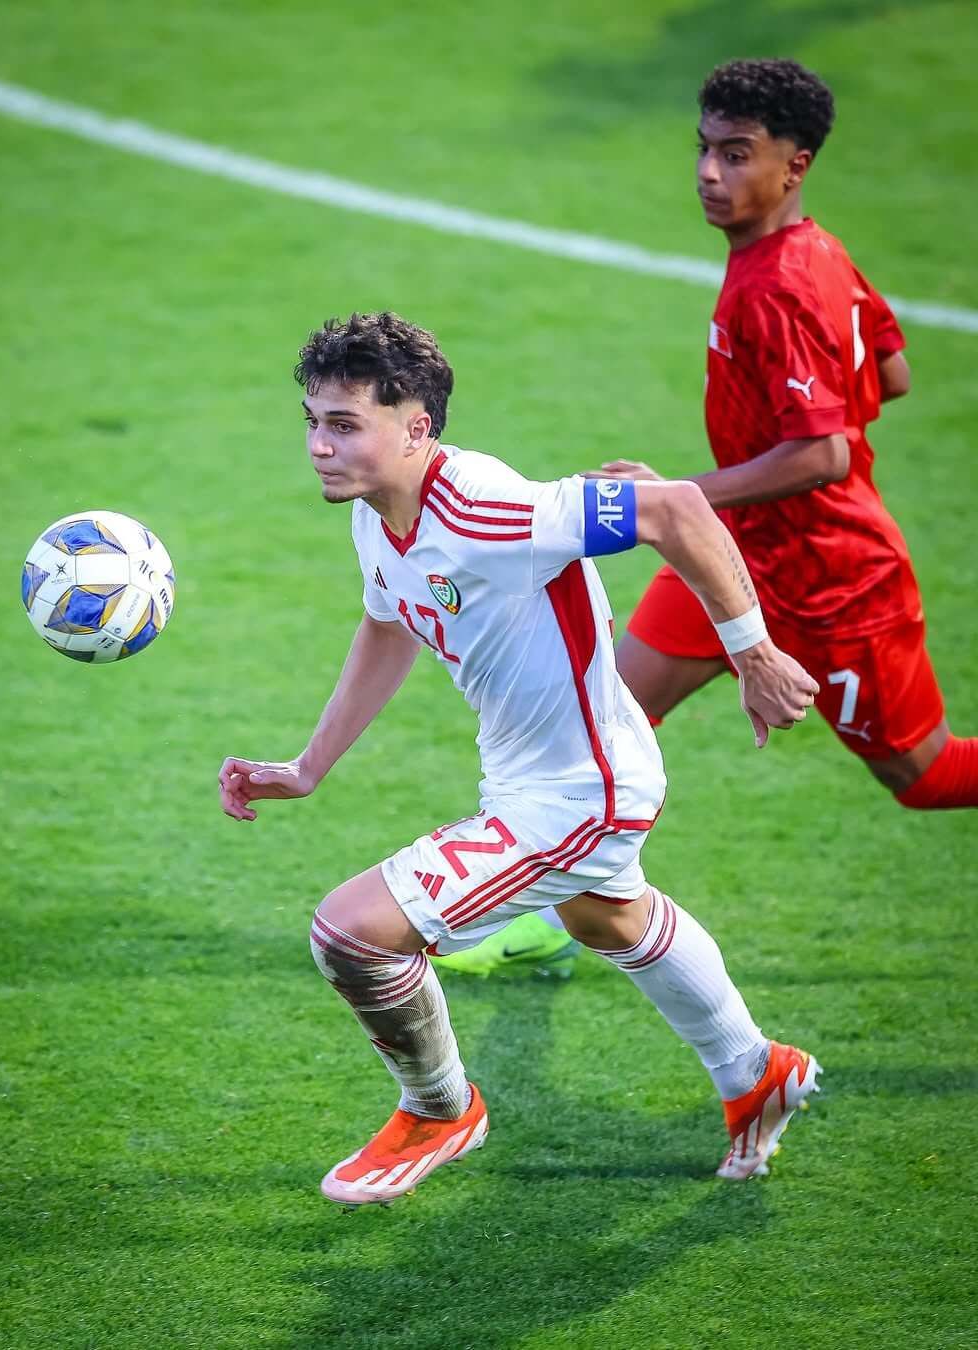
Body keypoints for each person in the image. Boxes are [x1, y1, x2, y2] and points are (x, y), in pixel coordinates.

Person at [219, 311, 821, 1206]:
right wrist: (310, 766)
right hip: (532, 775)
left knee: (354, 934)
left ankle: (439, 1110)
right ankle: (756, 1073)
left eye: (344, 425)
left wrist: (754, 652)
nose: (317, 445)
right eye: (311, 420)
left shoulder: (486, 508)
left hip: (583, 793)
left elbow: (675, 508)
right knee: (605, 917)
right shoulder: (379, 517)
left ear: (417, 427)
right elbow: (388, 622)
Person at [450, 56, 977, 980]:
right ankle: (553, 912)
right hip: (736, 557)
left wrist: (678, 496)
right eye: (704, 149)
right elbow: (888, 374)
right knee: (587, 724)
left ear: (794, 164)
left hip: (834, 579)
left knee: (924, 778)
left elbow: (826, 455)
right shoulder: (815, 251)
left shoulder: (778, 285)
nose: (708, 172)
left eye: (737, 155)